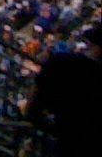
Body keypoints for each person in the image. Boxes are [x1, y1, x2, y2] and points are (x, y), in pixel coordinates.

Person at [26, 23, 102, 157]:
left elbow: (31, 109)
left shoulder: (61, 62)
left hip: (61, 141)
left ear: (91, 42)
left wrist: (52, 128)